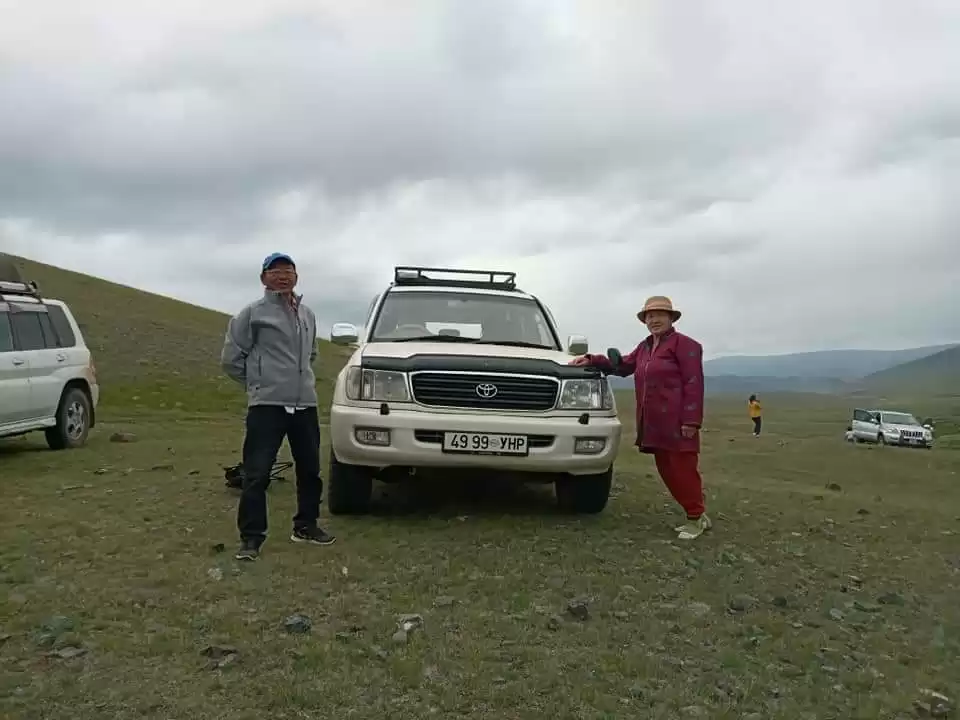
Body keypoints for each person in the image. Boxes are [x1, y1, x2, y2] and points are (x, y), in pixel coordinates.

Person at [220, 252, 335, 561]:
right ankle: (251, 539)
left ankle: (306, 526)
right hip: (267, 406)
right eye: (276, 271)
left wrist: (300, 382)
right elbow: (231, 359)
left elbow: (311, 354)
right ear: (263, 278)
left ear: (296, 277)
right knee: (257, 474)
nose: (283, 276)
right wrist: (258, 384)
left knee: (310, 470)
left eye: (288, 271)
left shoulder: (307, 314)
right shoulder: (251, 315)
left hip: (305, 405)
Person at [570, 296, 710, 540]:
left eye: (660, 315)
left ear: (671, 318)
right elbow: (623, 365)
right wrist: (594, 360)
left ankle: (696, 517)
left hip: (678, 422)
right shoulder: (645, 347)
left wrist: (691, 420)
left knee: (682, 470)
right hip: (654, 422)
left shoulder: (686, 345)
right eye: (649, 316)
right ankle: (697, 514)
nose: (654, 320)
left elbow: (693, 383)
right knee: (667, 470)